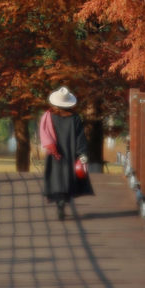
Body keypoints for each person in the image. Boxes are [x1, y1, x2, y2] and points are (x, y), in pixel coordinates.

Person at [39, 86, 94, 219]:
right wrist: (82, 153)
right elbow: (80, 137)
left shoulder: (48, 116)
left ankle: (59, 204)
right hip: (70, 152)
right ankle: (63, 202)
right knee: (68, 179)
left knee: (56, 179)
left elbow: (44, 134)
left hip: (54, 153)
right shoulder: (75, 118)